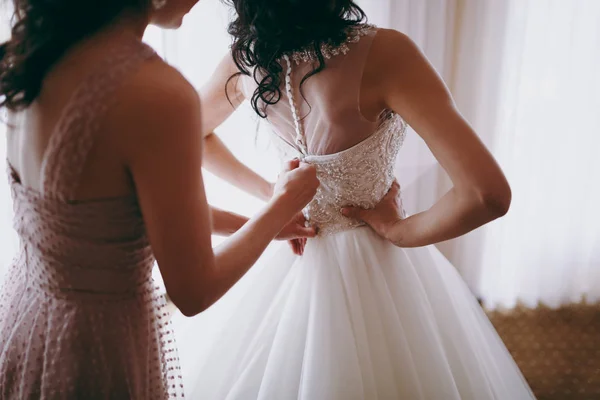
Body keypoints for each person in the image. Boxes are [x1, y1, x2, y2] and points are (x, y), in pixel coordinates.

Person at [176, 0, 537, 398]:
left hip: (288, 256)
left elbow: (187, 136)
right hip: (379, 270)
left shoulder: (246, 58)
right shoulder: (385, 52)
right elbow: (487, 194)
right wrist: (398, 230)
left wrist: (278, 199)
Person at [0, 0, 319, 397]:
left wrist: (262, 223)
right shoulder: (156, 93)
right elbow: (194, 291)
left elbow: (117, 214)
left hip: (27, 323)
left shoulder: (37, 53)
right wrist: (282, 202)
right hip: (94, 346)